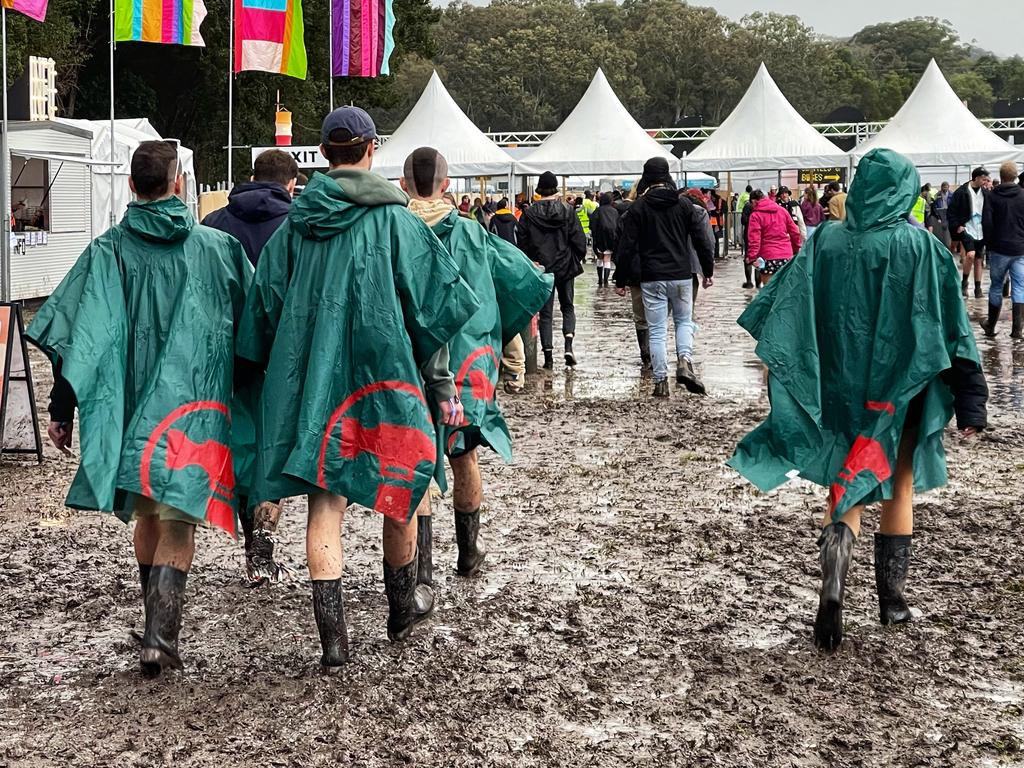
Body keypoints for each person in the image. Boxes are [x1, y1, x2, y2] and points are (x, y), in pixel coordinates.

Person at [236, 107, 480, 672]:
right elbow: (433, 316)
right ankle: (401, 609)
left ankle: (335, 644)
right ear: (372, 148)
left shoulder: (294, 225)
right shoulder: (400, 224)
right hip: (386, 380)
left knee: (326, 503)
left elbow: (263, 314)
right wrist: (442, 387)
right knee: (402, 492)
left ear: (323, 155)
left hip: (313, 385)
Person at [728, 148, 988, 651]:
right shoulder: (923, 247)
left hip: (840, 389)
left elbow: (785, 306)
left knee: (844, 483)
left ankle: (834, 590)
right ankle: (892, 601)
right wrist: (971, 398)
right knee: (900, 482)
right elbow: (953, 329)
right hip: (902, 391)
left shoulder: (824, 239)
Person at [26, 141, 253, 676]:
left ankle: (154, 624)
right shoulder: (218, 249)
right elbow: (254, 327)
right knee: (178, 515)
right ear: (178, 184)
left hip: (128, 408)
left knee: (148, 510)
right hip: (194, 408)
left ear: (131, 186)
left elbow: (76, 338)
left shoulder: (106, 252)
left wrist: (63, 408)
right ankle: (160, 634)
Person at [401, 147, 552, 590]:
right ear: (447, 185)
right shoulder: (472, 233)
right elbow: (522, 281)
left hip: (409, 359)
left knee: (417, 458)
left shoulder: (395, 230)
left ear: (405, 185)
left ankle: (421, 570)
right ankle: (468, 552)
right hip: (467, 361)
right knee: (464, 452)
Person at [202, 148, 298, 584]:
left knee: (240, 441)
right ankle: (263, 538)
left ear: (252, 176)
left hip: (227, 353)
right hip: (281, 352)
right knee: (274, 446)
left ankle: (249, 535)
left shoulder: (213, 224)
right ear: (291, 184)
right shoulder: (299, 226)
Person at [614, 157, 715, 398]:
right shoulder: (683, 206)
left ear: (647, 177)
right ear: (667, 176)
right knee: (683, 321)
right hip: (681, 275)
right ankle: (684, 360)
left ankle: (660, 383)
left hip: (651, 277)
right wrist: (707, 270)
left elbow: (626, 247)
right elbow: (701, 240)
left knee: (657, 330)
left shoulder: (638, 208)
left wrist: (620, 279)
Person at [516, 171, 587, 369]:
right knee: (568, 307)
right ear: (555, 188)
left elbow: (522, 243)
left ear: (539, 189)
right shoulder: (567, 211)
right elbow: (579, 241)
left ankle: (548, 357)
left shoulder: (528, 214)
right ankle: (568, 345)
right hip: (565, 267)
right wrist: (575, 259)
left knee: (545, 314)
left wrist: (532, 262)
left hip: (541, 269)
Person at [980, 161, 1024, 338]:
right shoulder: (1023, 196)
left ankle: (990, 326)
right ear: (1014, 176)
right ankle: (1017, 330)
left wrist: (989, 245)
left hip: (999, 249)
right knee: (1020, 286)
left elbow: (987, 223)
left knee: (996, 286)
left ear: (1001, 175)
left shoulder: (991, 197)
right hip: (1020, 249)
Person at [948, 167, 991, 298]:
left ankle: (978, 287)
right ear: (976, 178)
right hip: (967, 227)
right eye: (984, 179)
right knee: (970, 255)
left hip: (981, 229)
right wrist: (957, 225)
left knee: (979, 258)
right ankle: (965, 281)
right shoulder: (961, 192)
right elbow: (951, 212)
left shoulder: (986, 193)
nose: (985, 181)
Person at [745, 190, 802, 287]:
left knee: (769, 291)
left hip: (767, 257)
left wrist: (752, 257)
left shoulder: (755, 216)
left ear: (754, 201)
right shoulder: (783, 211)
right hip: (786, 256)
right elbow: (795, 232)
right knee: (784, 290)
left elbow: (754, 239)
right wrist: (796, 249)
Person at [590, 191, 620, 288]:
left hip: (599, 237)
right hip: (611, 237)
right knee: (607, 258)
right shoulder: (614, 211)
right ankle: (606, 280)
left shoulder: (597, 211)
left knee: (600, 257)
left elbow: (592, 225)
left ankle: (600, 280)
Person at [931, 181, 953, 249]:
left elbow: (954, 204)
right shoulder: (937, 195)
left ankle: (948, 245)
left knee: (948, 229)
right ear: (941, 187)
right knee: (941, 230)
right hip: (940, 212)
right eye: (944, 187)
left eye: (946, 187)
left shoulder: (951, 194)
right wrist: (937, 216)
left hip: (949, 212)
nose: (945, 188)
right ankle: (942, 244)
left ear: (948, 187)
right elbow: (934, 206)